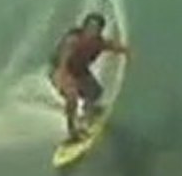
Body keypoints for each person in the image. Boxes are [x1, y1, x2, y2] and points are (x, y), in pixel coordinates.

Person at [49, 12, 130, 144]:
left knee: (96, 92)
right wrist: (63, 80)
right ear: (84, 27)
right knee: (72, 96)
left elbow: (114, 47)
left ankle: (87, 115)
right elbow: (62, 63)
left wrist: (128, 52)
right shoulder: (73, 41)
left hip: (80, 72)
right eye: (90, 28)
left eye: (96, 29)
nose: (92, 31)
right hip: (61, 71)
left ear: (100, 31)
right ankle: (72, 131)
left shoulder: (98, 43)